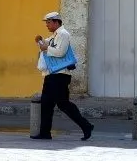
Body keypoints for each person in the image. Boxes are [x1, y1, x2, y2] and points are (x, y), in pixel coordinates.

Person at [31, 11, 94, 141]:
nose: (47, 25)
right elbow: (45, 45)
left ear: (56, 22)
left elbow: (60, 52)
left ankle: (86, 125)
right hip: (52, 74)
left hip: (60, 75)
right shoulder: (55, 35)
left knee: (63, 104)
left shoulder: (63, 34)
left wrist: (45, 48)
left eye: (48, 23)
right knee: (46, 104)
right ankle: (45, 133)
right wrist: (40, 41)